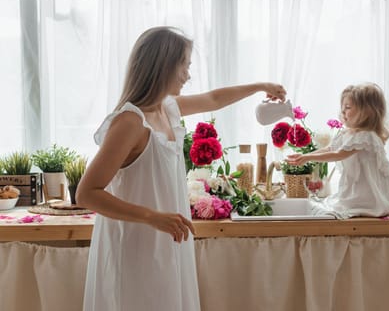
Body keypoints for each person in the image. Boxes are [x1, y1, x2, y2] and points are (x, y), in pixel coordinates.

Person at [76, 26, 287, 311]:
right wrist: (152, 217)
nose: (188, 74)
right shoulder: (130, 122)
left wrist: (260, 86)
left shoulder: (167, 108)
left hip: (166, 242)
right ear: (164, 65)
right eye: (184, 65)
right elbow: (87, 193)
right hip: (136, 246)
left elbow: (213, 99)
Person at [286, 83, 389, 219]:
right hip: (355, 188)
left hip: (367, 193)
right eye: (342, 107)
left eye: (348, 107)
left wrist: (307, 158)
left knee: (351, 206)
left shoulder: (365, 136)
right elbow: (330, 149)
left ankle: (366, 204)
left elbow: (338, 155)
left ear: (366, 112)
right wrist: (305, 155)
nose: (343, 111)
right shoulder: (347, 133)